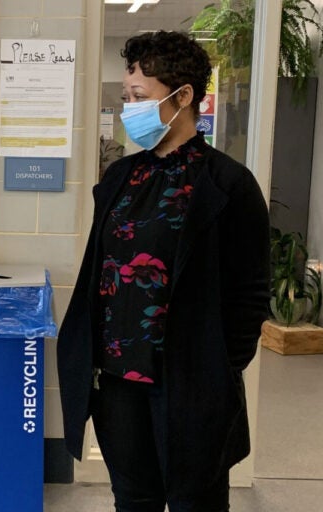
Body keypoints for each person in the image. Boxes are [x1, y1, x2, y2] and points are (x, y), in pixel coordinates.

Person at [57, 31, 270, 512]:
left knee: (197, 500)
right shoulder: (120, 178)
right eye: (126, 96)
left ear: (184, 96)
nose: (129, 107)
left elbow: (251, 292)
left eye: (140, 97)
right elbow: (101, 270)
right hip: (117, 381)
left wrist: (217, 365)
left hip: (190, 383)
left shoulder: (228, 183)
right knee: (134, 499)